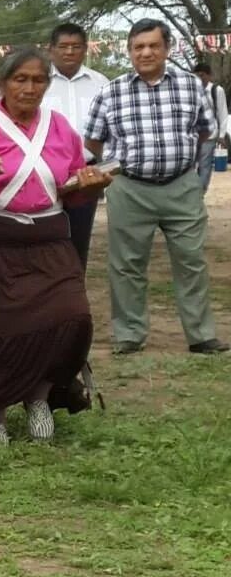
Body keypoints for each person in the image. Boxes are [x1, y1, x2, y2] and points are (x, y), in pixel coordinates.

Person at [0, 48, 110, 442]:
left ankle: (40, 396)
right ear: (3, 84)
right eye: (20, 79)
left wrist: (89, 185)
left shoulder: (59, 127)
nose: (29, 88)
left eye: (38, 80)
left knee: (71, 316)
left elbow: (69, 186)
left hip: (47, 238)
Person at [85, 18, 225, 354]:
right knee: (127, 264)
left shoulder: (191, 86)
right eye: (138, 46)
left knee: (191, 259)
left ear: (167, 48)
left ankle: (201, 335)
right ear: (130, 51)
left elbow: (205, 130)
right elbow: (92, 140)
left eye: (153, 46)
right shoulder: (111, 91)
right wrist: (125, 163)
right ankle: (129, 335)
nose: (146, 52)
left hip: (182, 187)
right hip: (130, 188)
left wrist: (178, 159)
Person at [45, 23, 108, 267]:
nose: (69, 52)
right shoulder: (38, 80)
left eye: (76, 47)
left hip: (86, 172)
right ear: (51, 50)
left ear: (85, 49)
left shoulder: (100, 83)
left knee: (79, 237)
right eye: (63, 46)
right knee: (46, 235)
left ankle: (73, 292)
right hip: (45, 172)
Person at [193, 62, 229, 190]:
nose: (199, 79)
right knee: (190, 167)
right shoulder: (192, 90)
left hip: (210, 135)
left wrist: (221, 135)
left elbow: (222, 113)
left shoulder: (216, 91)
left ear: (209, 76)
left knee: (205, 166)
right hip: (193, 136)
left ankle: (200, 194)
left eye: (202, 75)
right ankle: (192, 192)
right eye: (196, 76)